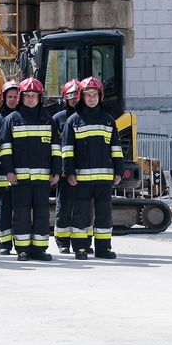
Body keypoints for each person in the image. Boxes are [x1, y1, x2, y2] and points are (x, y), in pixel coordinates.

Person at [0, 77, 61, 262]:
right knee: (21, 214)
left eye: (34, 95)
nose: (31, 99)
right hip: (20, 179)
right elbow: (4, 149)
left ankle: (40, 249)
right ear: (21, 97)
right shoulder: (11, 120)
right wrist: (8, 171)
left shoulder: (48, 121)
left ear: (40, 97)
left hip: (43, 179)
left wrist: (56, 171)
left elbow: (56, 150)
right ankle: (23, 250)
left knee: (42, 213)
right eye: (27, 95)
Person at [62, 76, 123, 260]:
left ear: (100, 96)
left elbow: (116, 149)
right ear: (81, 97)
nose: (91, 99)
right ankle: (80, 248)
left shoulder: (108, 121)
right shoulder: (73, 121)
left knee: (104, 215)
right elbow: (67, 150)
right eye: (87, 95)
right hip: (81, 179)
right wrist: (69, 172)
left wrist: (118, 171)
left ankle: (103, 248)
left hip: (104, 179)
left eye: (94, 95)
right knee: (81, 214)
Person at [0, 80, 19, 255]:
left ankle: (21, 242)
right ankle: (4, 244)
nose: (13, 100)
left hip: (21, 172)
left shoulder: (25, 118)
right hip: (2, 174)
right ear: (3, 98)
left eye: (16, 96)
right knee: (4, 209)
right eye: (10, 96)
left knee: (21, 210)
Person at [52, 79, 80, 254]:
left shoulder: (88, 117)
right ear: (65, 99)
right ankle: (62, 241)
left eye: (78, 97)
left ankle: (83, 240)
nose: (75, 101)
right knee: (64, 207)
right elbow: (54, 147)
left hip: (84, 171)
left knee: (84, 209)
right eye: (72, 98)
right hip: (64, 171)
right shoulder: (57, 119)